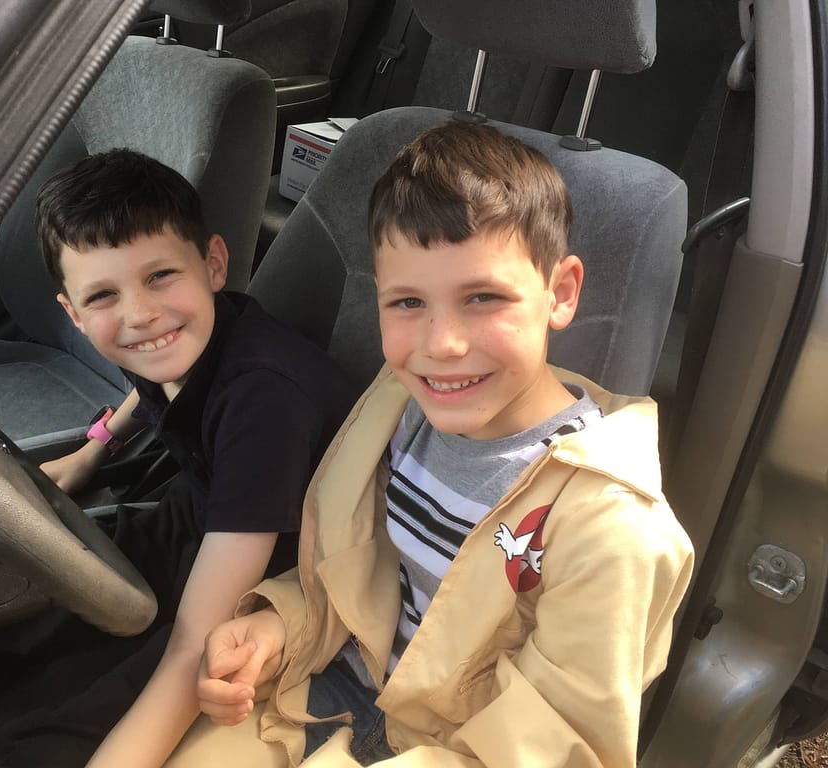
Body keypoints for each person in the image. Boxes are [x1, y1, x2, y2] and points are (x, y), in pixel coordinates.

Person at [167, 122, 695, 767]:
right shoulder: (398, 407)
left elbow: (558, 742)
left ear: (560, 293)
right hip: (323, 693)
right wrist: (277, 626)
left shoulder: (611, 527)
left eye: (483, 297)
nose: (441, 344)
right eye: (408, 302)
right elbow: (362, 578)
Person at [0, 149, 355, 768]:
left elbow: (197, 643)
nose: (140, 315)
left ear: (213, 264)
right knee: (38, 625)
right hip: (201, 504)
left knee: (65, 729)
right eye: (103, 295)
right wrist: (92, 452)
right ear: (71, 312)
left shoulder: (265, 400)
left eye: (159, 277)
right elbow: (149, 383)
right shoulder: (181, 336)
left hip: (281, 568)